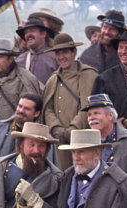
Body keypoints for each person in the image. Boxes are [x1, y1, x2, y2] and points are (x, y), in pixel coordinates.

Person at [0, 94, 58, 197]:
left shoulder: (44, 140)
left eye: (26, 109)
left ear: (36, 113)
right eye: (20, 106)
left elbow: (48, 174)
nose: (21, 110)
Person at [42, 33, 98, 170]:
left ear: (74, 52)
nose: (61, 57)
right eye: (58, 53)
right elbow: (47, 108)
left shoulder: (89, 75)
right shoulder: (53, 79)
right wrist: (56, 128)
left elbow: (89, 106)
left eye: (65, 52)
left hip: (83, 138)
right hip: (59, 141)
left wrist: (74, 128)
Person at [0, 38, 42, 139]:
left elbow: (31, 112)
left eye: (0, 57)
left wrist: (13, 132)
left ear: (11, 58)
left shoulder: (26, 80)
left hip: (19, 137)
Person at [84, 93, 127, 182]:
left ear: (110, 115)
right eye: (89, 115)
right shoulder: (85, 142)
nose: (91, 118)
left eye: (96, 113)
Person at [15, 17, 57, 84]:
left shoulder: (55, 57)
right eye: (26, 33)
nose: (28, 35)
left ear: (43, 34)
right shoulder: (20, 60)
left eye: (32, 31)